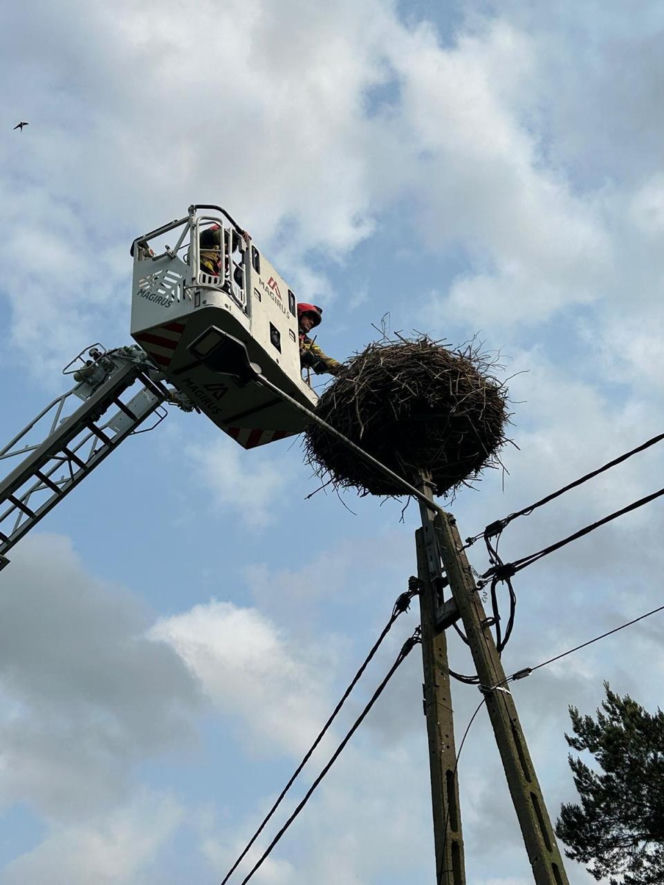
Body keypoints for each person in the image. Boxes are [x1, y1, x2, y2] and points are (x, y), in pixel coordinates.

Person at [297, 303, 341, 376]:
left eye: (313, 321)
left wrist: (340, 369)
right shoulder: (283, 322)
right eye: (309, 318)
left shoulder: (307, 341)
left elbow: (322, 356)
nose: (312, 322)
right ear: (299, 314)